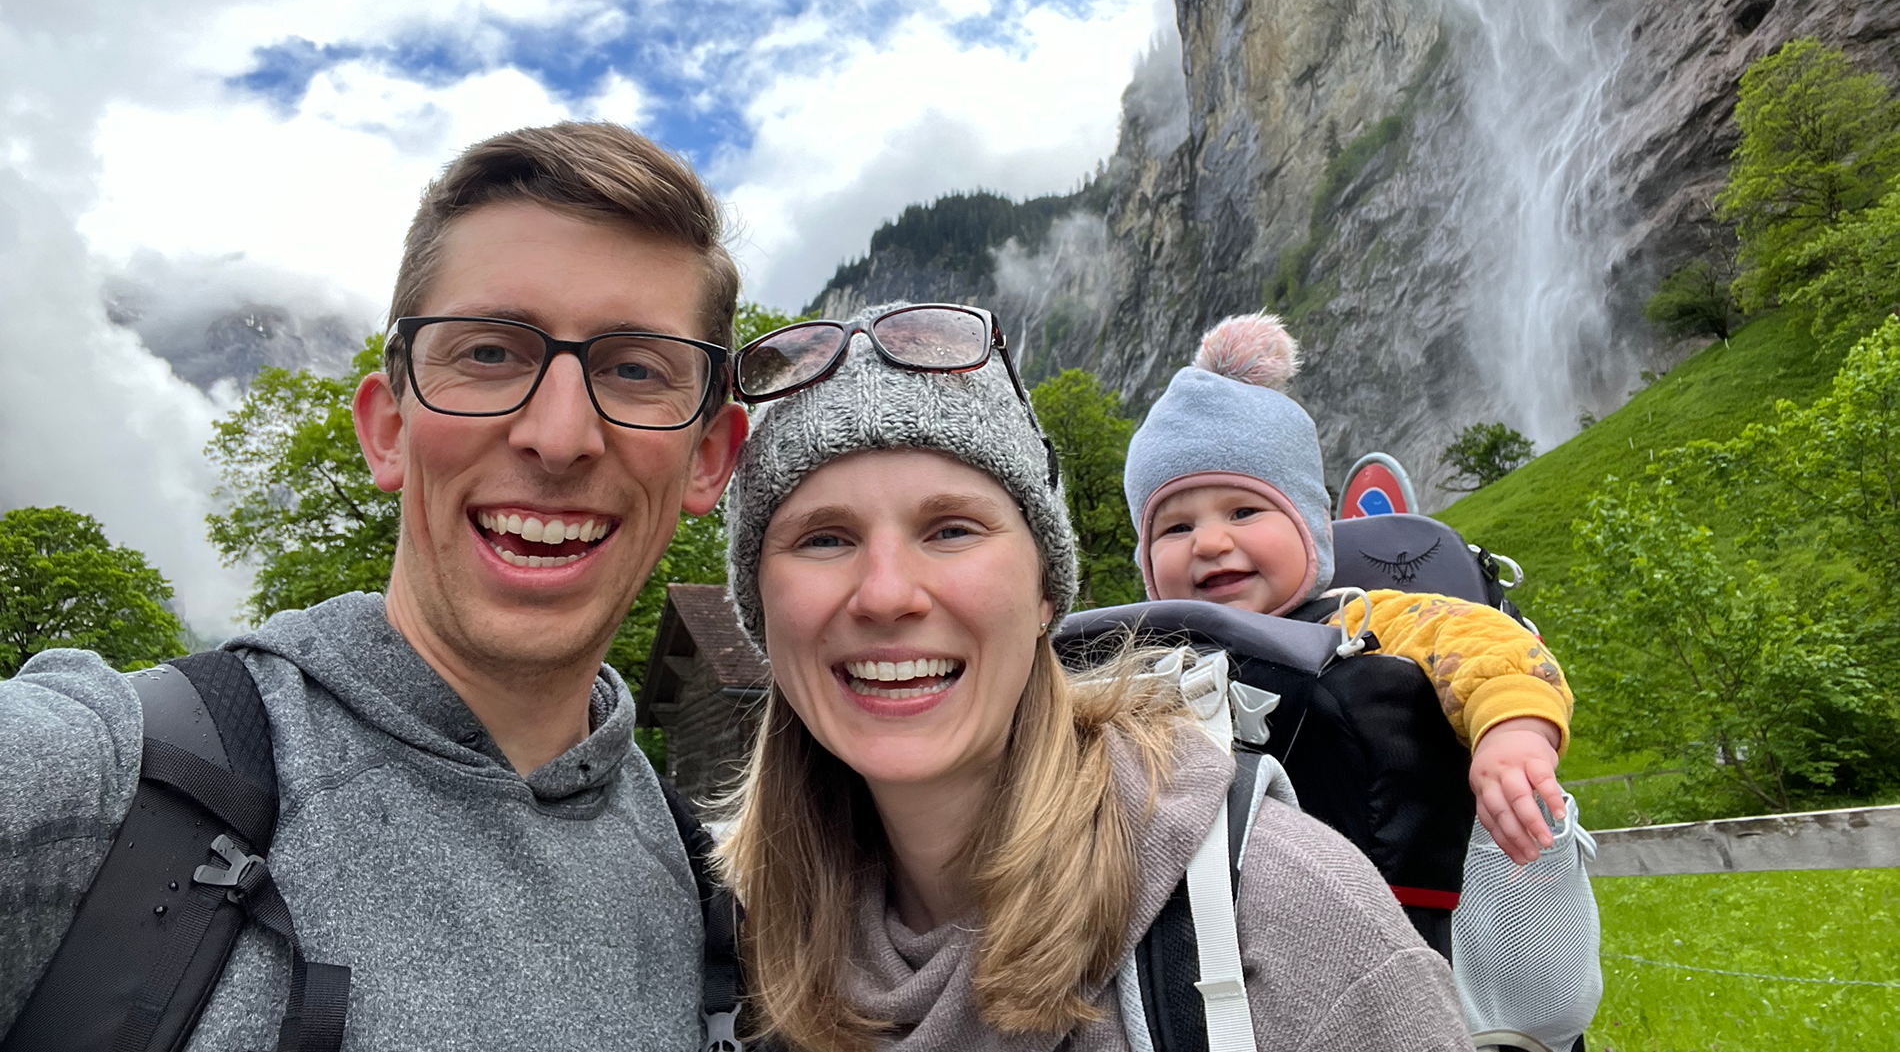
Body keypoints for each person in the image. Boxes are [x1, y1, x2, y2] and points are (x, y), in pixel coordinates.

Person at [1, 122, 748, 1050]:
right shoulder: (105, 780)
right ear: (388, 428)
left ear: (709, 459)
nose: (559, 436)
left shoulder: (706, 885)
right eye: (488, 353)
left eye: (635, 369)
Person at [714, 302, 1471, 1052]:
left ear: (1046, 587)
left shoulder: (1282, 910)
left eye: (950, 528)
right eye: (823, 538)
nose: (885, 593)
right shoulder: (725, 948)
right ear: (763, 610)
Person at [1121, 313, 1575, 871]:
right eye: (1176, 528)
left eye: (1244, 511)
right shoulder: (1149, 661)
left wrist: (1512, 734)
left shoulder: (1360, 617)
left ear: (1309, 526)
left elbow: (1488, 645)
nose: (1210, 542)